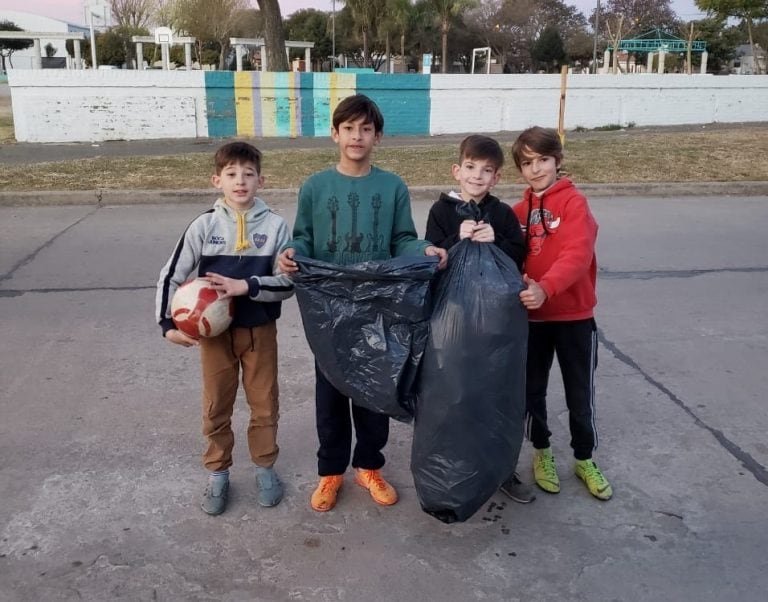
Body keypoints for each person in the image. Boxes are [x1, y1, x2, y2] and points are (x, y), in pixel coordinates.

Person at [278, 94, 447, 512]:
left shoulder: (391, 186)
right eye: (349, 128)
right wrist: (292, 252)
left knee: (374, 392)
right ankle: (330, 472)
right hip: (328, 309)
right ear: (335, 134)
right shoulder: (316, 187)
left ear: (377, 136)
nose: (357, 136)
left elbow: (402, 238)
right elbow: (304, 238)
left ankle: (369, 466)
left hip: (378, 308)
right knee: (330, 395)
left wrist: (424, 248)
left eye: (366, 129)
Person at [156, 141, 295, 516]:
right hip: (213, 337)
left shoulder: (277, 226)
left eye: (249, 174)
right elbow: (171, 275)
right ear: (217, 180)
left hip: (259, 332)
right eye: (232, 174)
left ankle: (265, 467)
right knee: (217, 405)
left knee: (264, 404)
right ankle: (218, 472)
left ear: (261, 181)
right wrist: (167, 324)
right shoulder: (204, 225)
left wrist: (246, 287)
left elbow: (288, 284)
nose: (240, 181)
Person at [424, 134, 534, 505]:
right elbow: (430, 254)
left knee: (496, 397)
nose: (477, 176)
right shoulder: (441, 211)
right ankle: (450, 465)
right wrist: (455, 239)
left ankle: (502, 469)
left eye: (487, 171)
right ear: (457, 171)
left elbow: (518, 257)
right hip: (451, 323)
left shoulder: (501, 214)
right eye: (470, 168)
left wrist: (497, 242)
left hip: (494, 326)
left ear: (497, 178)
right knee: (453, 395)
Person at [510, 126, 612, 501]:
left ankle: (584, 458)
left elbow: (577, 255)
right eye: (527, 163)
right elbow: (505, 255)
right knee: (531, 392)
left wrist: (545, 287)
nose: (536, 169)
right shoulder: (517, 212)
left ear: (558, 160)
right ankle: (542, 452)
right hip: (532, 323)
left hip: (574, 318)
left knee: (579, 394)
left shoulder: (574, 204)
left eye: (543, 160)